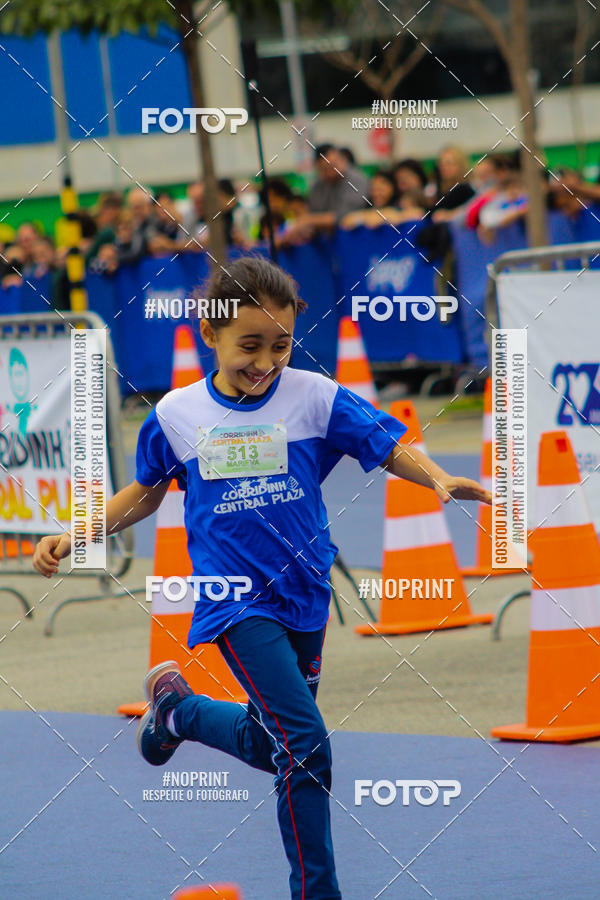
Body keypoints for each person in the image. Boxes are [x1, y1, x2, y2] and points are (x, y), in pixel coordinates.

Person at [33, 256, 491, 900]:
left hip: (305, 592)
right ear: (210, 333)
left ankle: (179, 713)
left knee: (269, 739)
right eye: (249, 346)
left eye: (280, 345)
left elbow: (385, 445)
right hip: (233, 601)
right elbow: (144, 494)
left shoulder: (315, 397)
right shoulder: (177, 414)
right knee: (307, 744)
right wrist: (76, 533)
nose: (266, 362)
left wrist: (438, 477)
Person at [282, 144, 369, 244]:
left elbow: (344, 216)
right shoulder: (318, 186)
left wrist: (309, 220)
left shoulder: (356, 179)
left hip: (359, 240)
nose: (335, 169)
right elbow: (313, 212)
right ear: (319, 169)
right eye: (327, 167)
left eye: (336, 163)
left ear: (342, 159)